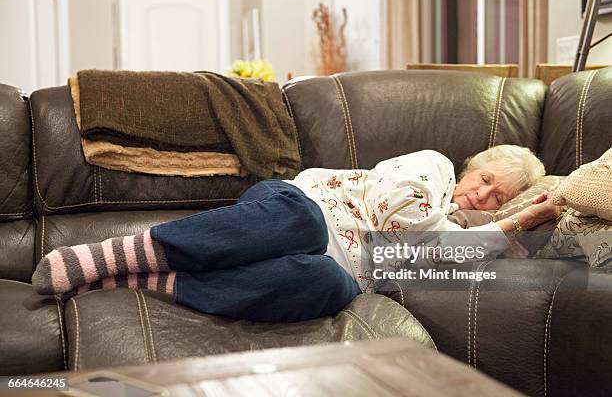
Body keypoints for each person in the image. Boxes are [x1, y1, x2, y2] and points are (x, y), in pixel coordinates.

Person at [31, 145, 562, 322]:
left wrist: (506, 232)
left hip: (334, 266)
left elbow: (430, 254)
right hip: (289, 212)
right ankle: (114, 255)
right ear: (472, 166)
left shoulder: (468, 242)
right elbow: (401, 216)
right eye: (486, 180)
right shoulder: (434, 168)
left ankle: (151, 284)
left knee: (329, 285)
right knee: (304, 225)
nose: (485, 197)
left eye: (498, 198)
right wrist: (501, 228)